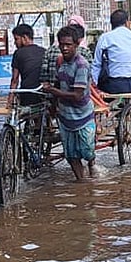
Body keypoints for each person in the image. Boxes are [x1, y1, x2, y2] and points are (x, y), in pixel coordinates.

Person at [43, 26, 96, 180]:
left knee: (87, 151)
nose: (64, 48)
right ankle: (82, 183)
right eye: (62, 45)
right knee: (71, 154)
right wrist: (53, 105)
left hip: (83, 115)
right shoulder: (59, 62)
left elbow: (78, 95)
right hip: (65, 116)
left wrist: (53, 91)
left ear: (76, 45)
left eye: (68, 45)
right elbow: (59, 84)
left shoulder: (81, 65)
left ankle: (92, 163)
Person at [91, 9, 131, 94]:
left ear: (111, 24)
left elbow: (97, 64)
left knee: (101, 82)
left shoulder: (105, 38)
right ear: (127, 23)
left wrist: (94, 85)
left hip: (115, 85)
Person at [40, 15, 93, 86]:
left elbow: (43, 76)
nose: (65, 48)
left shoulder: (50, 50)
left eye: (68, 45)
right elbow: (89, 78)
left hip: (53, 94)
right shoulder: (85, 52)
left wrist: (50, 89)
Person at [8, 23, 46, 108]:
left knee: (25, 115)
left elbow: (15, 80)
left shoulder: (18, 53)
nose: (15, 43)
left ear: (24, 38)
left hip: (27, 93)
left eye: (16, 39)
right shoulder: (44, 51)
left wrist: (9, 101)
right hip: (43, 92)